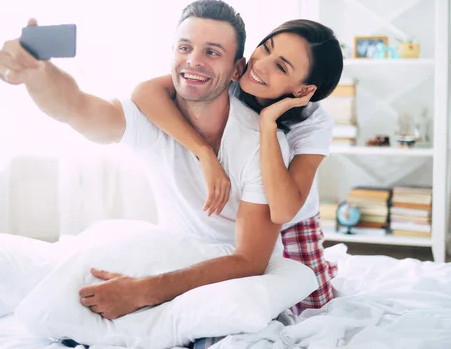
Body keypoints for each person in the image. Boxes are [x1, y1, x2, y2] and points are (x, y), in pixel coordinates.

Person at [0, 0, 291, 323]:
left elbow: (249, 260)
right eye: (184, 47)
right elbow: (78, 109)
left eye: (212, 52)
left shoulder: (258, 142)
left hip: (237, 281)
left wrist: (141, 292)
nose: (193, 61)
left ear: (237, 69)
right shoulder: (152, 117)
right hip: (174, 261)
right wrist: (38, 74)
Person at [131, 19, 344, 313]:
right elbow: (144, 93)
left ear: (303, 89)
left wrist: (267, 123)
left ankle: (326, 271)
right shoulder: (231, 76)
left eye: (281, 67)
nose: (261, 65)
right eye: (265, 48)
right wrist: (204, 153)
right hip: (239, 212)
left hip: (292, 221)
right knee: (227, 302)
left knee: (310, 309)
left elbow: (282, 210)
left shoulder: (314, 122)